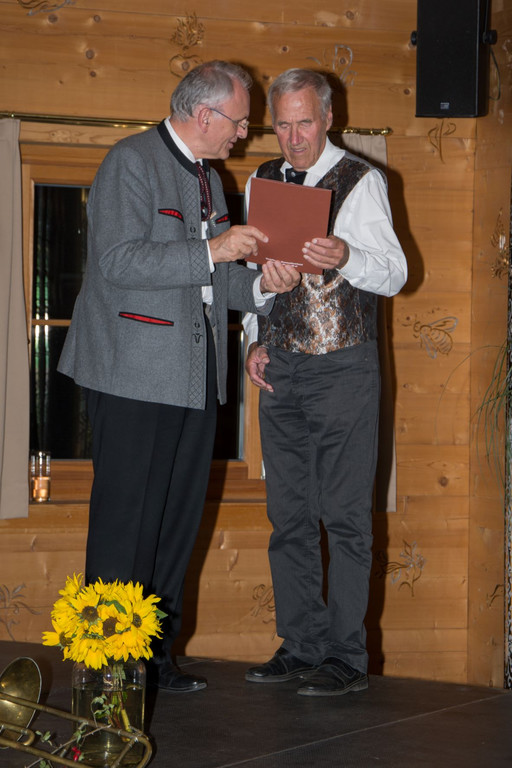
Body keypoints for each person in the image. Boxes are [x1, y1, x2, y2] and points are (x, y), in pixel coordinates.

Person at [58, 61, 300, 693]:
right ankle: (107, 670)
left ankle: (154, 660)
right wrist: (215, 249)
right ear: (204, 115)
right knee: (126, 524)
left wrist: (263, 286)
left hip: (196, 378)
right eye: (239, 121)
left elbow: (214, 280)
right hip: (132, 374)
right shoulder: (130, 161)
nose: (244, 133)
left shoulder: (210, 179)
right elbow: (118, 261)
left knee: (174, 523)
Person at [243, 69, 407, 696]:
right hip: (281, 368)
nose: (293, 137)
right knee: (288, 515)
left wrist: (347, 256)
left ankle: (345, 656)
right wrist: (254, 340)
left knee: (344, 516)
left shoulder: (363, 180)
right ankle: (302, 644)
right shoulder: (263, 178)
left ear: (329, 119)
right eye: (282, 124)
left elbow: (395, 274)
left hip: (344, 367)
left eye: (304, 122)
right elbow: (258, 277)